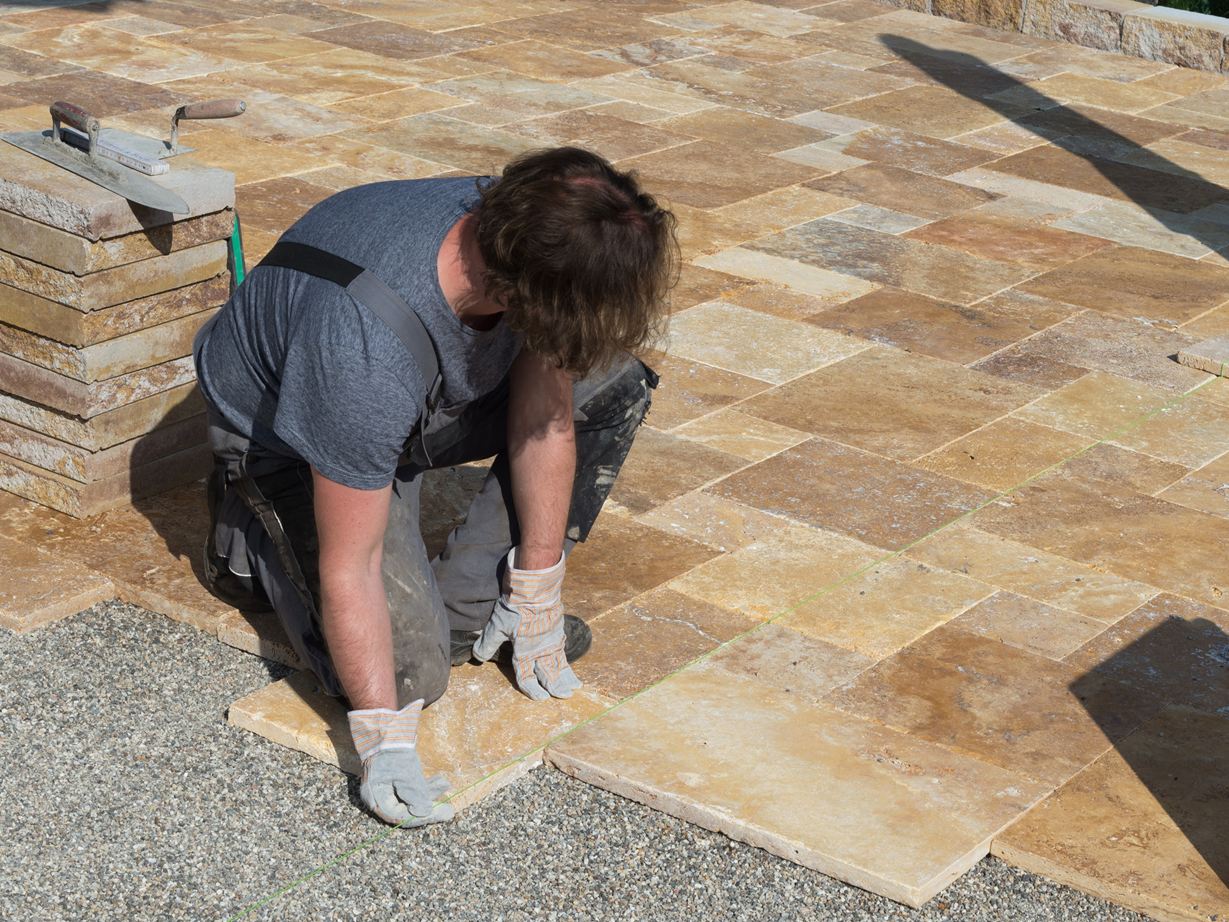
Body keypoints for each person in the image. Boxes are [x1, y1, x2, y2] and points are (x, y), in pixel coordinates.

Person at [193, 147, 678, 828]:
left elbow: (545, 409)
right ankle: (248, 531)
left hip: (404, 403)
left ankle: (481, 604)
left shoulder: (532, 228)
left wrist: (537, 587)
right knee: (407, 681)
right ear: (517, 287)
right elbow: (351, 566)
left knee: (612, 385)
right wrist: (381, 741)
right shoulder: (362, 351)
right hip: (288, 432)